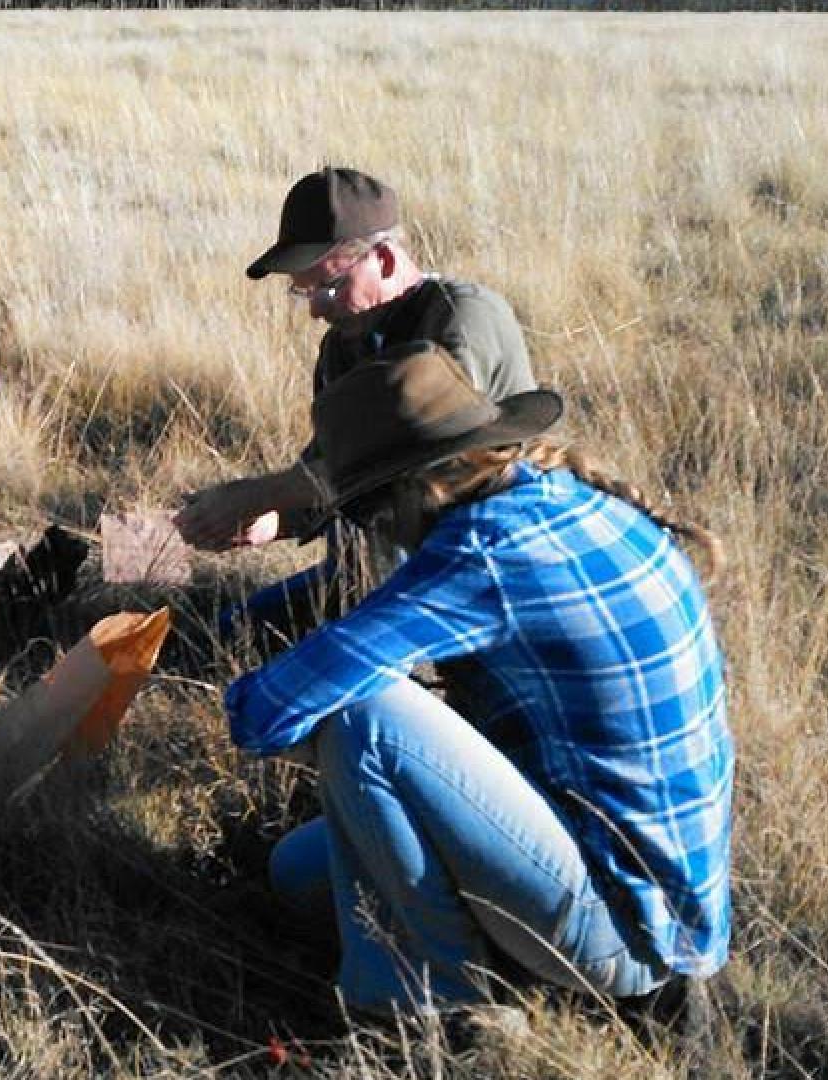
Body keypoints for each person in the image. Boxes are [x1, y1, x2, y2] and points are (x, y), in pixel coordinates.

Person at [223, 342, 732, 1030]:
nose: (376, 536)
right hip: (667, 892)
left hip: (624, 930)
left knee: (364, 718)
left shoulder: (479, 554)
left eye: (370, 515)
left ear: (413, 491)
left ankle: (429, 1011)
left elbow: (266, 711)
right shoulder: (567, 499)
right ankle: (492, 961)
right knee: (297, 871)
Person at [175, 167, 535, 649]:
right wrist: (272, 520)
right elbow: (332, 467)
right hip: (365, 571)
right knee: (216, 641)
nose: (315, 310)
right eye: (301, 292)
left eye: (326, 288)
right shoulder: (344, 344)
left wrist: (258, 494)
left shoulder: (463, 317)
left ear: (383, 259)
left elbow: (416, 459)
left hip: (470, 572)